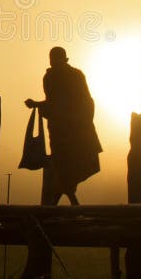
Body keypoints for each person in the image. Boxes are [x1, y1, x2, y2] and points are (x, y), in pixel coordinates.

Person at [25, 46, 102, 205]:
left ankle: (60, 203)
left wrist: (37, 105)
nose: (51, 62)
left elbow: (60, 104)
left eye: (53, 58)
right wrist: (38, 104)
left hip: (68, 131)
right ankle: (67, 202)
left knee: (66, 168)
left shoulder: (59, 77)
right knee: (65, 168)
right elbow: (58, 103)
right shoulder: (68, 75)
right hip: (71, 130)